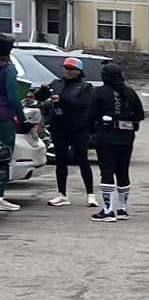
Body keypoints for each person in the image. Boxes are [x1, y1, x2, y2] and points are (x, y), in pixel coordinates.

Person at [90, 61, 146, 219]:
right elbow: (140, 115)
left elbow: (90, 115)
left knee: (107, 170)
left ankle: (108, 210)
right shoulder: (130, 92)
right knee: (123, 171)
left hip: (106, 136)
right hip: (126, 136)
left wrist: (93, 132)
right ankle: (122, 209)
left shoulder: (99, 92)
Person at [43, 56, 100, 209]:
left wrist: (62, 99)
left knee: (82, 160)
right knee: (61, 161)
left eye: (71, 69)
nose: (68, 71)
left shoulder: (85, 87)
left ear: (79, 71)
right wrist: (42, 91)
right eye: (66, 68)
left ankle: (90, 194)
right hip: (59, 127)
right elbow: (41, 98)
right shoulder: (57, 83)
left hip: (78, 127)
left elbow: (82, 105)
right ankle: (62, 194)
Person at [0, 36, 29, 214]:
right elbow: (13, 97)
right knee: (3, 158)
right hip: (3, 119)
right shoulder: (8, 69)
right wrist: (23, 119)